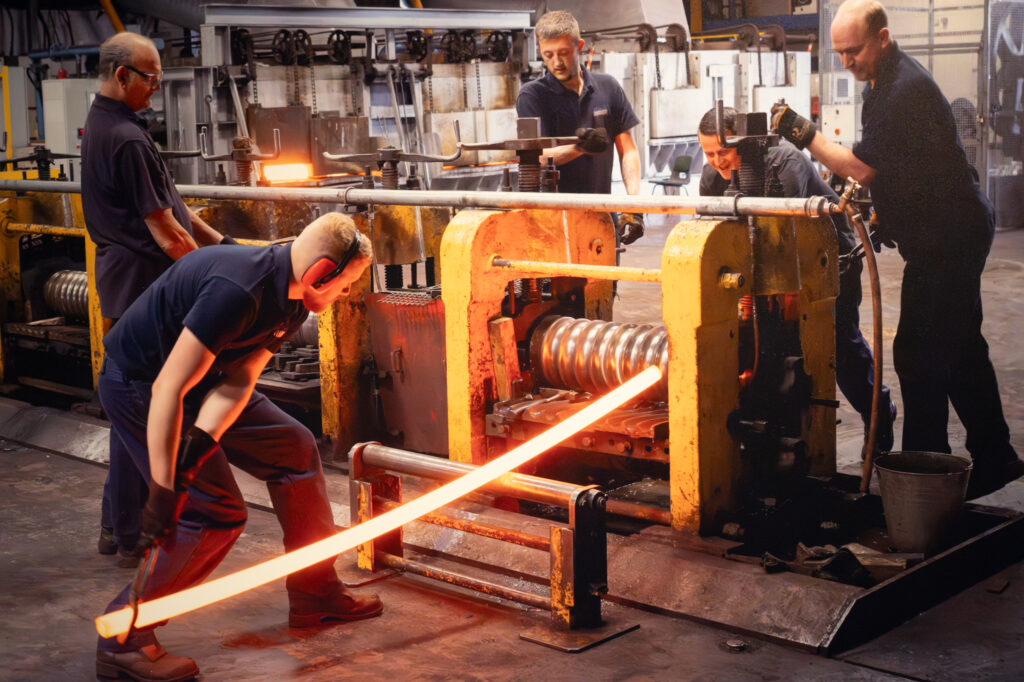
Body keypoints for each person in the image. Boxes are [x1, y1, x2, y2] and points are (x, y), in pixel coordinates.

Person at [95, 212, 381, 682]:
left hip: (205, 380)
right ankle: (123, 637)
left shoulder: (294, 299)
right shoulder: (237, 291)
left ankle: (314, 590)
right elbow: (169, 388)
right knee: (212, 513)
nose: (346, 294)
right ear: (319, 273)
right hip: (141, 386)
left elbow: (242, 376)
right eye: (345, 284)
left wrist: (201, 442)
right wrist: (166, 486)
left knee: (294, 448)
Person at [770, 0, 1022, 498]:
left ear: (883, 39)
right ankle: (996, 456)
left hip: (949, 237)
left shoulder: (904, 88)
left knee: (917, 352)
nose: (847, 62)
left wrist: (804, 134)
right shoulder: (883, 85)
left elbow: (862, 168)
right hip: (945, 229)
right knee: (961, 347)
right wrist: (891, 209)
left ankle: (924, 475)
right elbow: (907, 165)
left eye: (854, 51)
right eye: (840, 54)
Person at [82, 32, 229, 564]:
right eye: (151, 78)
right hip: (144, 288)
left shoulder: (109, 125)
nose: (157, 88)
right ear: (122, 75)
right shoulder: (125, 138)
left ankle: (115, 527)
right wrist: (213, 278)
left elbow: (176, 210)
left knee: (133, 409)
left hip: (128, 285)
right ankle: (129, 533)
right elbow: (167, 232)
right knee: (141, 410)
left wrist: (227, 249)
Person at [697, 106, 897, 454]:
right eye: (708, 153)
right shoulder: (711, 178)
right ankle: (780, 432)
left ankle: (878, 412)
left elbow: (789, 231)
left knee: (838, 347)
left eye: (722, 152)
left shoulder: (786, 162)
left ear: (742, 142)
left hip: (828, 260)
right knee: (764, 346)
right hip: (765, 269)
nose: (716, 161)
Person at [515, 10, 645, 244]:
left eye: (564, 53)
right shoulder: (533, 96)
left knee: (606, 269)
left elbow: (628, 150)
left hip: (602, 218)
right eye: (548, 54)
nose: (556, 62)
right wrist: (581, 148)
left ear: (580, 46)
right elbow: (538, 157)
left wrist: (633, 205)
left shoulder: (608, 87)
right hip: (553, 223)